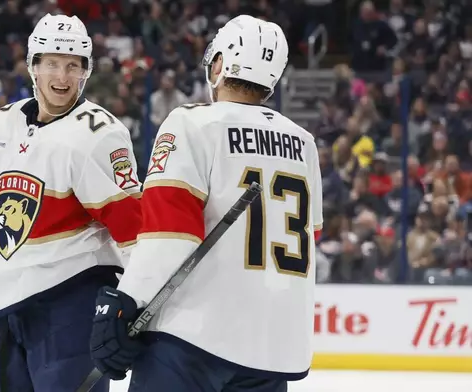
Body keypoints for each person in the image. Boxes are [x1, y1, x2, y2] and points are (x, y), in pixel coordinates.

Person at [90, 15, 323, 392]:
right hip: (274, 348)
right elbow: (311, 235)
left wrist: (126, 299)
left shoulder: (193, 124)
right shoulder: (303, 143)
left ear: (220, 64)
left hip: (194, 339)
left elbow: (169, 234)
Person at [0, 14, 142, 392]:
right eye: (52, 63)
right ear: (32, 66)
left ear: (85, 72)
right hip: (12, 308)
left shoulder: (101, 134)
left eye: (73, 66)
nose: (62, 76)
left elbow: (134, 231)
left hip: (72, 306)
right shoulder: (3, 124)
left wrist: (132, 302)